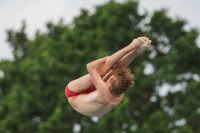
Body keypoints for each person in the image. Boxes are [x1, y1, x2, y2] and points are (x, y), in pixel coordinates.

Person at [65, 37, 151, 117]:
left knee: (102, 71)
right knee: (115, 70)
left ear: (109, 85)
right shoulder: (119, 95)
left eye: (109, 79)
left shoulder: (103, 91)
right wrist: (135, 51)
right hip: (92, 98)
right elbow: (117, 72)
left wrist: (107, 59)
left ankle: (132, 46)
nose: (109, 77)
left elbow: (90, 66)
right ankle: (137, 51)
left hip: (75, 95)